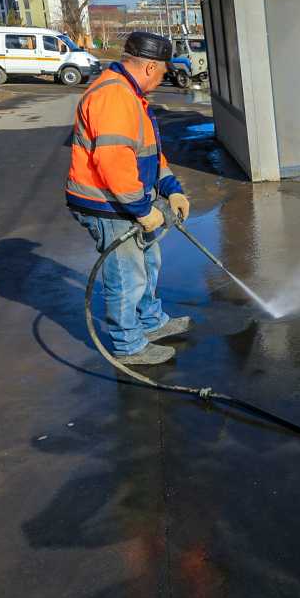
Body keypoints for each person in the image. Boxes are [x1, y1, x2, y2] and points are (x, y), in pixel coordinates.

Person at [66, 31, 192, 365]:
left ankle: (150, 323)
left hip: (126, 199)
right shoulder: (114, 96)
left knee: (148, 263)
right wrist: (140, 209)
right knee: (125, 275)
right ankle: (128, 345)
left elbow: (149, 154)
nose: (165, 77)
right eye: (164, 71)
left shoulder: (131, 95)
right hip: (108, 204)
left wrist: (171, 189)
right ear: (150, 67)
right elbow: (113, 161)